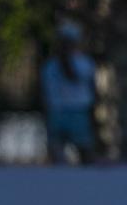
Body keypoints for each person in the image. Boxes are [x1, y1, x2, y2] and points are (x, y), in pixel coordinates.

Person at [40, 20, 97, 164]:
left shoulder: (84, 63)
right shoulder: (49, 65)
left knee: (85, 150)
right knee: (55, 149)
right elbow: (46, 92)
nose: (65, 45)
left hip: (78, 111)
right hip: (57, 111)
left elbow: (72, 76)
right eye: (62, 42)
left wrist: (65, 59)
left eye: (68, 41)